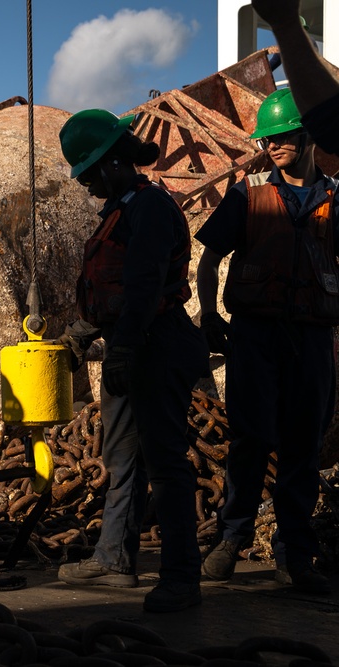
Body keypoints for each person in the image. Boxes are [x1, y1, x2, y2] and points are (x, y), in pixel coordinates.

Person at [55, 109, 209, 612]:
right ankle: (114, 558)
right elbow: (111, 289)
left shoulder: (150, 209)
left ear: (116, 161)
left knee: (163, 463)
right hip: (129, 343)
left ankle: (182, 576)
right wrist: (80, 334)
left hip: (157, 345)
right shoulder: (119, 210)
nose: (89, 186)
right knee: (122, 457)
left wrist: (121, 347)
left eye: (92, 173)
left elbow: (144, 285)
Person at [195, 88, 335, 595]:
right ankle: (231, 541)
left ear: (308, 136)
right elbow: (210, 259)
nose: (273, 145)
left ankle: (294, 554)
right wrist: (209, 314)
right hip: (255, 335)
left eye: (282, 136)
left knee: (303, 445)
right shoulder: (246, 193)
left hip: (315, 337)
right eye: (268, 138)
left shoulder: (335, 198)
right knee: (249, 441)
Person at [252, 0, 339, 154]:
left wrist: (284, 25)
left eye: (282, 138)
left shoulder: (295, 45)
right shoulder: (311, 43)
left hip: (300, 90)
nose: (273, 146)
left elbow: (275, 62)